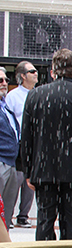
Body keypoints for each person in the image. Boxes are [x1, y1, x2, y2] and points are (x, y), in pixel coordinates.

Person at [20, 48, 72, 241]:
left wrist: (28, 170)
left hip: (44, 171)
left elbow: (26, 137)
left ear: (53, 71)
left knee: (45, 219)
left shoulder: (36, 95)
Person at [5, 61, 39, 228]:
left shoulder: (39, 94)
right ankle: (8, 216)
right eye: (32, 71)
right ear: (23, 76)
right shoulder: (13, 96)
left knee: (31, 181)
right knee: (16, 180)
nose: (36, 73)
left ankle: (23, 215)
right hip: (18, 145)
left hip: (34, 144)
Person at [0, 67, 20, 230]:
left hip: (11, 163)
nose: (5, 83)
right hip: (1, 162)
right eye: (0, 80)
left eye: (6, 80)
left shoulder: (5, 106)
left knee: (5, 214)